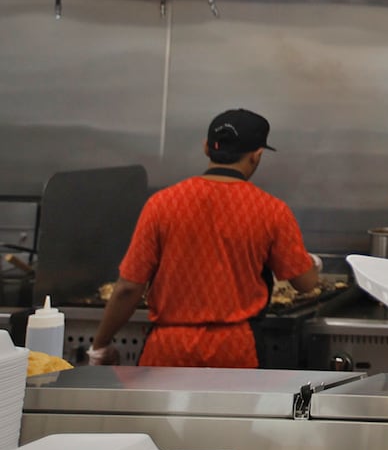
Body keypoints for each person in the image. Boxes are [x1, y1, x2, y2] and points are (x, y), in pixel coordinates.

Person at [87, 108, 320, 368]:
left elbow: (129, 287)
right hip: (236, 351)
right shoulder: (271, 210)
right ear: (257, 156)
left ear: (206, 148)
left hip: (167, 350)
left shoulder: (162, 204)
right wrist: (315, 265)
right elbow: (305, 283)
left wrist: (100, 345)